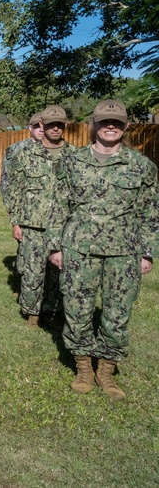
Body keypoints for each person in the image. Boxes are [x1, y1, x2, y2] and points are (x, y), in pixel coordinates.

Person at [50, 100, 158, 399]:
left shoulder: (141, 167)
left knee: (118, 312)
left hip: (124, 251)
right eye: (104, 121)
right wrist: (54, 247)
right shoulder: (71, 162)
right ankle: (84, 366)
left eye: (118, 122)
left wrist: (147, 253)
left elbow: (151, 212)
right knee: (77, 308)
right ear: (93, 125)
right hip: (78, 248)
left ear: (125, 127)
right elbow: (58, 207)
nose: (111, 126)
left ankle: (107, 370)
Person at [6, 105, 71, 330]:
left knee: (58, 273)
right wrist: (15, 222)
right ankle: (32, 313)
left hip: (63, 226)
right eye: (50, 124)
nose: (55, 128)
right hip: (32, 224)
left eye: (59, 124)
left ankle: (52, 311)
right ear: (41, 125)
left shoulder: (75, 156)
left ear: (65, 126)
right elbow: (15, 189)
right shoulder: (24, 154)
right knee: (32, 272)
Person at [0, 112, 43, 208]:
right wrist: (9, 205)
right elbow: (6, 179)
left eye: (45, 126)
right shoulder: (14, 150)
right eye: (37, 126)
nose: (41, 130)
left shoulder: (56, 150)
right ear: (30, 128)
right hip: (23, 205)